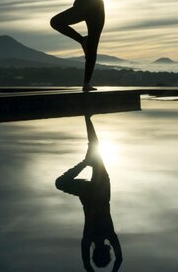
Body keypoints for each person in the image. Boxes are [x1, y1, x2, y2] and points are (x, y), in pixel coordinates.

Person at [55, 116, 123, 272]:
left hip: (96, 192)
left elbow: (119, 258)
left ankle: (87, 118)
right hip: (94, 193)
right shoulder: (89, 239)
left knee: (95, 149)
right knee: (60, 182)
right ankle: (86, 159)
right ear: (95, 253)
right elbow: (87, 265)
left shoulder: (108, 235)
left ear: (107, 251)